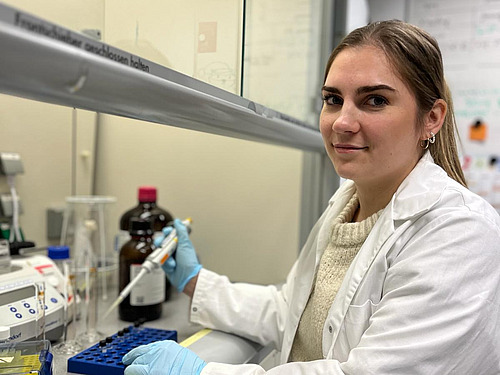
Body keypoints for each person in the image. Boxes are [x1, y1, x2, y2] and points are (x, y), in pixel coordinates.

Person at [122, 19, 500, 374]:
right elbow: (292, 313)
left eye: (375, 101)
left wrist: (203, 373)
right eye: (333, 99)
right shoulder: (346, 204)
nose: (342, 122)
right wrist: (195, 281)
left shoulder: (459, 232)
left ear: (431, 118)